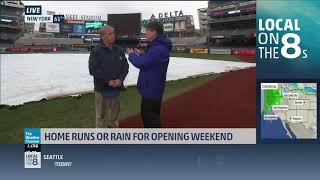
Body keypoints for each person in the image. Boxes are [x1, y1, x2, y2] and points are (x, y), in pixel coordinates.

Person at [127, 21, 172, 128]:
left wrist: (132, 54)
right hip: (154, 86)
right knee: (151, 116)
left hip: (151, 88)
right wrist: (143, 54)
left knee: (150, 118)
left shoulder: (157, 49)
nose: (145, 33)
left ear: (154, 32)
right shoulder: (159, 46)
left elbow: (141, 63)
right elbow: (151, 61)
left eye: (147, 31)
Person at [88, 26, 129, 128]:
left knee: (114, 116)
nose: (113, 35)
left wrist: (120, 79)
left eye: (113, 33)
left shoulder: (118, 49)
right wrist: (108, 81)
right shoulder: (96, 51)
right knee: (100, 116)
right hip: (101, 89)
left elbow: (125, 66)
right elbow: (93, 70)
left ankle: (114, 135)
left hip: (116, 88)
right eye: (110, 34)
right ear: (102, 36)